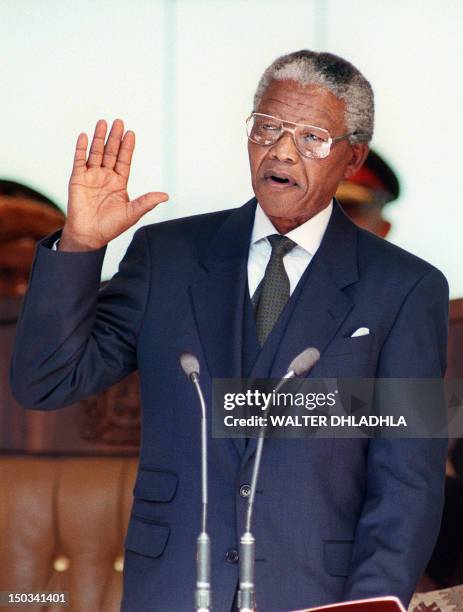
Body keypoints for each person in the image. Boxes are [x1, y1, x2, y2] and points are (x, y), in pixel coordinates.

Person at [10, 50, 449, 611]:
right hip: (171, 588)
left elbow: (407, 487)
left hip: (315, 593)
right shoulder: (167, 256)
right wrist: (79, 245)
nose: (281, 150)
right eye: (267, 127)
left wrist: (365, 607)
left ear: (352, 156)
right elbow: (44, 382)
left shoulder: (407, 288)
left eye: (312, 136)